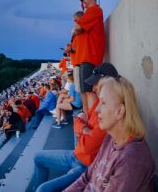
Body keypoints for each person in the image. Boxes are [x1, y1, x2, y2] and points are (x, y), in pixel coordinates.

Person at [29, 63, 114, 192]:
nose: (94, 88)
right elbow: (77, 119)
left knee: (43, 190)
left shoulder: (109, 112)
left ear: (108, 83)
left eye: (97, 84)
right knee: (37, 157)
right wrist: (85, 129)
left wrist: (83, 128)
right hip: (75, 155)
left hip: (84, 166)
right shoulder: (98, 102)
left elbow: (87, 144)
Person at [65, 76, 156, 191]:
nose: (97, 109)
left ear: (120, 111)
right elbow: (88, 175)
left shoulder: (131, 158)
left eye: (102, 103)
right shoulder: (110, 138)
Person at [73, 0, 105, 113]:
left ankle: (93, 121)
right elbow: (78, 29)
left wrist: (77, 29)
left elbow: (78, 28)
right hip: (84, 58)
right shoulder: (89, 13)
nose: (82, 1)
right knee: (85, 91)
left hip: (90, 57)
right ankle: (88, 118)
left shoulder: (95, 10)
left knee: (90, 92)